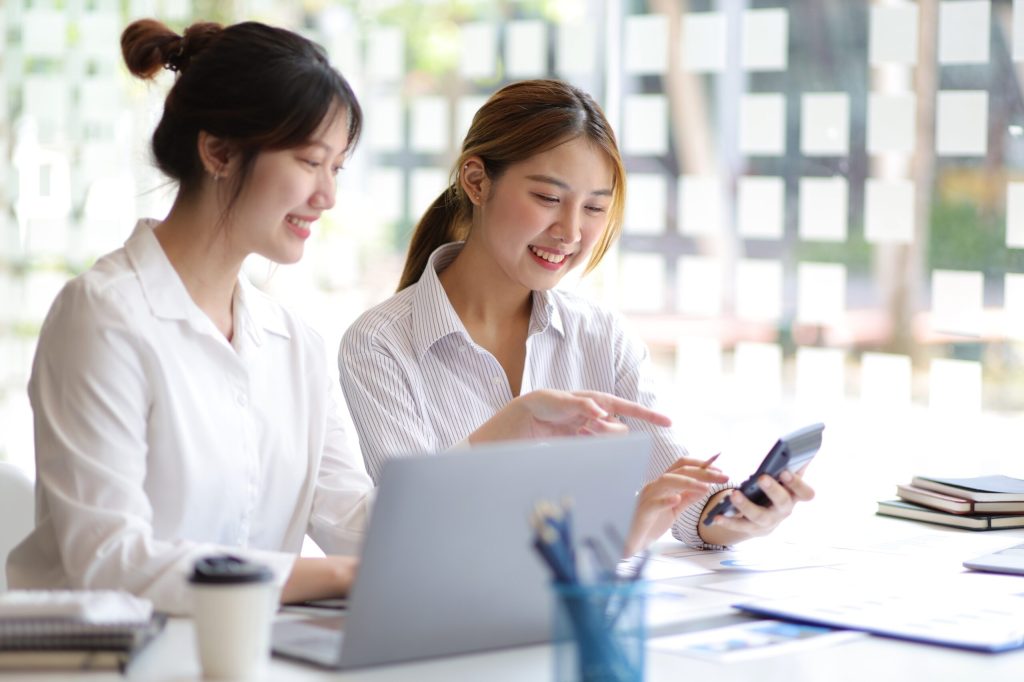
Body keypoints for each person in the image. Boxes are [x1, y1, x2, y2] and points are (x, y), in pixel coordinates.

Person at [5, 23, 677, 614]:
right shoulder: (105, 316)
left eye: (338, 167)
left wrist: (507, 429)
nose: (328, 196)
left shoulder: (290, 342)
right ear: (218, 153)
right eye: (309, 162)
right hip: (100, 659)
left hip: (243, 654)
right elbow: (109, 558)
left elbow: (361, 523)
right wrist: (337, 576)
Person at [340, 79, 815, 553]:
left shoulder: (600, 335)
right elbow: (416, 531)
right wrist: (617, 535)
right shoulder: (382, 344)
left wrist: (737, 514)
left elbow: (682, 495)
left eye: (593, 208)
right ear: (476, 181)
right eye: (548, 199)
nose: (569, 232)